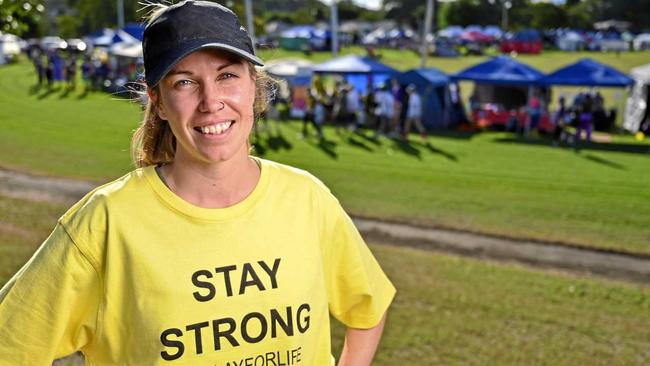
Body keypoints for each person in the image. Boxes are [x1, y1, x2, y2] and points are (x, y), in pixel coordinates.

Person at [0, 2, 395, 365]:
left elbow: (367, 309)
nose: (211, 101)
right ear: (157, 101)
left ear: (253, 87)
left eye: (227, 75)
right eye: (185, 82)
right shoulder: (106, 222)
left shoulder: (306, 197)